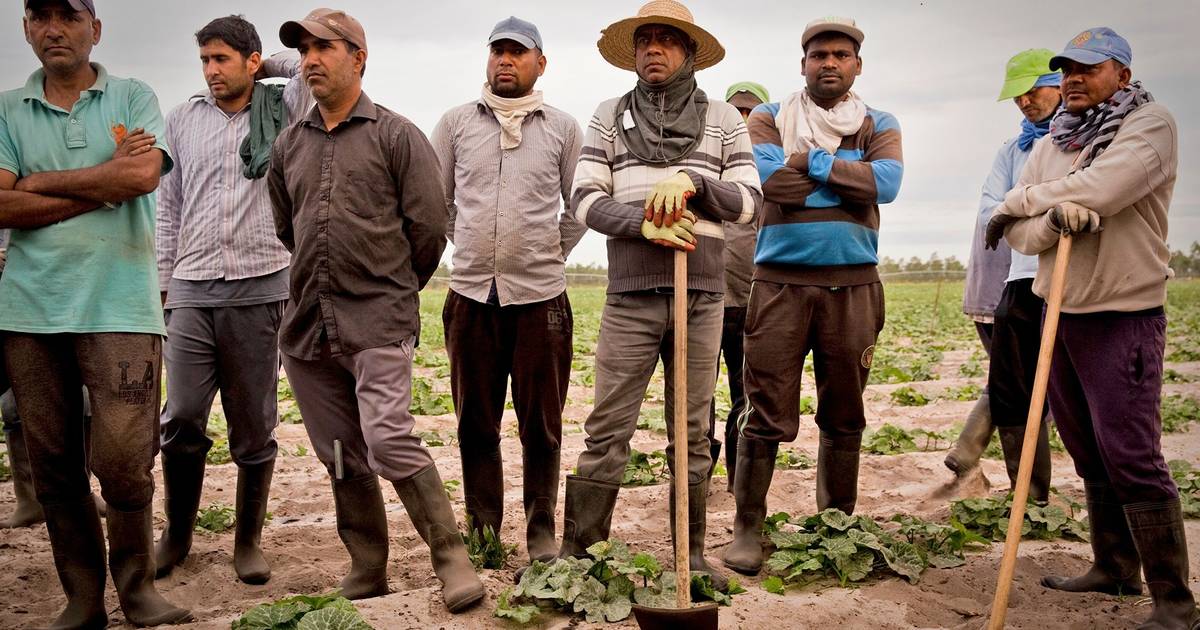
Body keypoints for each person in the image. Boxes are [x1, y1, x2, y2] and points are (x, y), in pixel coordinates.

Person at [268, 8, 484, 612]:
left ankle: (450, 558)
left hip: (379, 319)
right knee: (339, 451)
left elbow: (430, 228)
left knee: (388, 439)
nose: (310, 59)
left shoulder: (396, 134)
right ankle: (368, 564)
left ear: (358, 58)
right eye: (304, 49)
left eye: (324, 48)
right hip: (309, 325)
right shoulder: (289, 144)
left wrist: (390, 288)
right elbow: (290, 228)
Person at [987, 27, 1196, 629]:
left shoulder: (1150, 126)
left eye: (1089, 68)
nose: (1074, 79)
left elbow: (1104, 188)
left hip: (1123, 312)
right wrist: (1051, 219)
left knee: (1132, 453)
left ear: (1122, 76)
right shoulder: (1054, 139)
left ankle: (1175, 603)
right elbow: (1020, 235)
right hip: (1062, 311)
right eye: (1067, 70)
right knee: (1086, 448)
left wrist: (1029, 201)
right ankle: (1113, 566)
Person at [0, 0, 191, 626]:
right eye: (39, 15)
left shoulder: (133, 95)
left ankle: (136, 590)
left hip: (121, 309)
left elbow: (139, 178)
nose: (54, 28)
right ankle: (83, 599)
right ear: (26, 29)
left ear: (94, 28)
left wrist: (33, 183)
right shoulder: (7, 108)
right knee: (52, 462)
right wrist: (99, 179)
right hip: (31, 313)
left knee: (122, 459)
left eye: (69, 14)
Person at [560, 0, 761, 591]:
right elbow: (584, 199)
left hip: (702, 295)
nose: (653, 48)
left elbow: (750, 202)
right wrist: (640, 225)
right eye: (645, 40)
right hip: (629, 293)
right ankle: (583, 553)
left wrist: (696, 182)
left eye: (667, 40)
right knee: (608, 426)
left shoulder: (726, 118)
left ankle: (691, 555)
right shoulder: (607, 116)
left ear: (689, 52)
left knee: (692, 428)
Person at [724, 16, 903, 576]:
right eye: (819, 54)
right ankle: (748, 528)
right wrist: (850, 175)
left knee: (844, 411)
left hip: (853, 287)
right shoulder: (768, 116)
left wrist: (810, 161)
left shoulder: (880, 120)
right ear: (802, 64)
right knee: (766, 409)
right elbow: (770, 184)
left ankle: (836, 524)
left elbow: (889, 185)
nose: (829, 62)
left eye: (841, 55)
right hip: (779, 286)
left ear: (857, 65)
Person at [152, 14, 312, 584]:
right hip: (192, 288)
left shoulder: (283, 109)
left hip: (260, 283)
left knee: (252, 424)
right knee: (183, 415)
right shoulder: (182, 119)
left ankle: (248, 542)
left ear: (250, 61)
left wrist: (266, 64)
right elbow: (167, 208)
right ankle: (177, 534)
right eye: (205, 61)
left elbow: (309, 68)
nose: (211, 71)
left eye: (222, 59)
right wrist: (167, 289)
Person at [432, 16, 584, 564]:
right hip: (471, 295)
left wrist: (547, 251)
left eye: (518, 52)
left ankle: (541, 528)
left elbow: (580, 205)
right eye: (497, 50)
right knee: (475, 421)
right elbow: (437, 201)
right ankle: (484, 530)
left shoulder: (564, 128)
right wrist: (471, 244)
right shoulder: (454, 124)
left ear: (539, 63)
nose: (505, 60)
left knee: (542, 423)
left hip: (542, 297)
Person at [948, 49, 1059, 503]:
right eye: (1018, 97)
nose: (1026, 102)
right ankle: (1031, 496)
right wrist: (1032, 214)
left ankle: (970, 447)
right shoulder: (1013, 150)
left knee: (1053, 385)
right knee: (1015, 385)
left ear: (1059, 83)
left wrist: (1021, 208)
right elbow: (991, 209)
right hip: (1022, 276)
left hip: (1073, 281)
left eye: (1033, 91)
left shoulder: (1087, 140)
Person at [707, 81, 768, 491]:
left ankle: (737, 478)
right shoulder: (707, 171)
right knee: (698, 398)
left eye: (753, 114)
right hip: (705, 304)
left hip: (752, 305)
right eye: (737, 113)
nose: (744, 121)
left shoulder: (768, 178)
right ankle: (699, 474)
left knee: (744, 397)